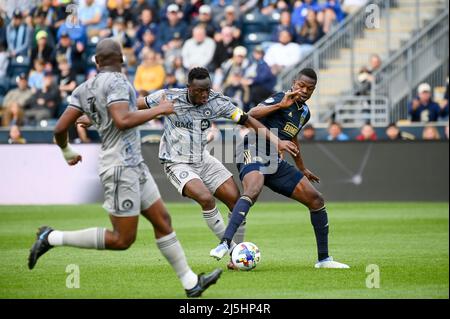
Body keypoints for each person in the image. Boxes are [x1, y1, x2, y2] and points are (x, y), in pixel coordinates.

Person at [27, 38, 222, 298]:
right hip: (120, 167)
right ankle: (51, 237)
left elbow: (61, 128)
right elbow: (122, 120)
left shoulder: (83, 88)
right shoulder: (119, 82)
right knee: (122, 239)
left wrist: (66, 151)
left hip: (132, 164)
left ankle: (191, 284)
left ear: (96, 62)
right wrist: (160, 110)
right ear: (121, 59)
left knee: (162, 221)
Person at [137, 67, 298, 270]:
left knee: (235, 199)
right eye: (199, 91)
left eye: (207, 90)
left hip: (203, 158)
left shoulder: (217, 101)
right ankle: (234, 250)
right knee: (206, 198)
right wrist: (99, 117)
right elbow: (134, 106)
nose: (204, 95)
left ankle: (235, 256)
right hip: (175, 161)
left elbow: (247, 119)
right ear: (188, 88)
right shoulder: (168, 97)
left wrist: (276, 141)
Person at [210, 68, 349, 269]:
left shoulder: (305, 113)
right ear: (294, 83)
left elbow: (292, 138)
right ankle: (225, 244)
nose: (304, 91)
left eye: (310, 88)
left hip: (275, 158)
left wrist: (302, 168)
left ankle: (324, 259)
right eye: (301, 86)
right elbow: (251, 115)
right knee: (253, 189)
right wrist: (279, 104)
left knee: (316, 200)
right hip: (252, 148)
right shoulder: (280, 97)